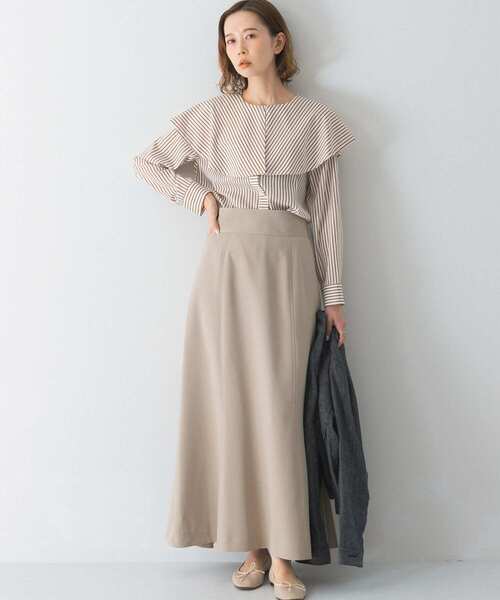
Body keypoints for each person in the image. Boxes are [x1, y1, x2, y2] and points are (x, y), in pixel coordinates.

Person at [133, 1, 356, 598]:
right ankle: (250, 546)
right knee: (232, 402)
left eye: (250, 35)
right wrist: (202, 199)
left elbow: (329, 216)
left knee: (280, 404)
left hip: (289, 267)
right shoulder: (209, 116)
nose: (239, 48)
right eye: (230, 39)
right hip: (227, 266)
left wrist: (334, 296)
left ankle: (284, 552)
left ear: (278, 42)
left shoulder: (316, 121)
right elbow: (148, 163)